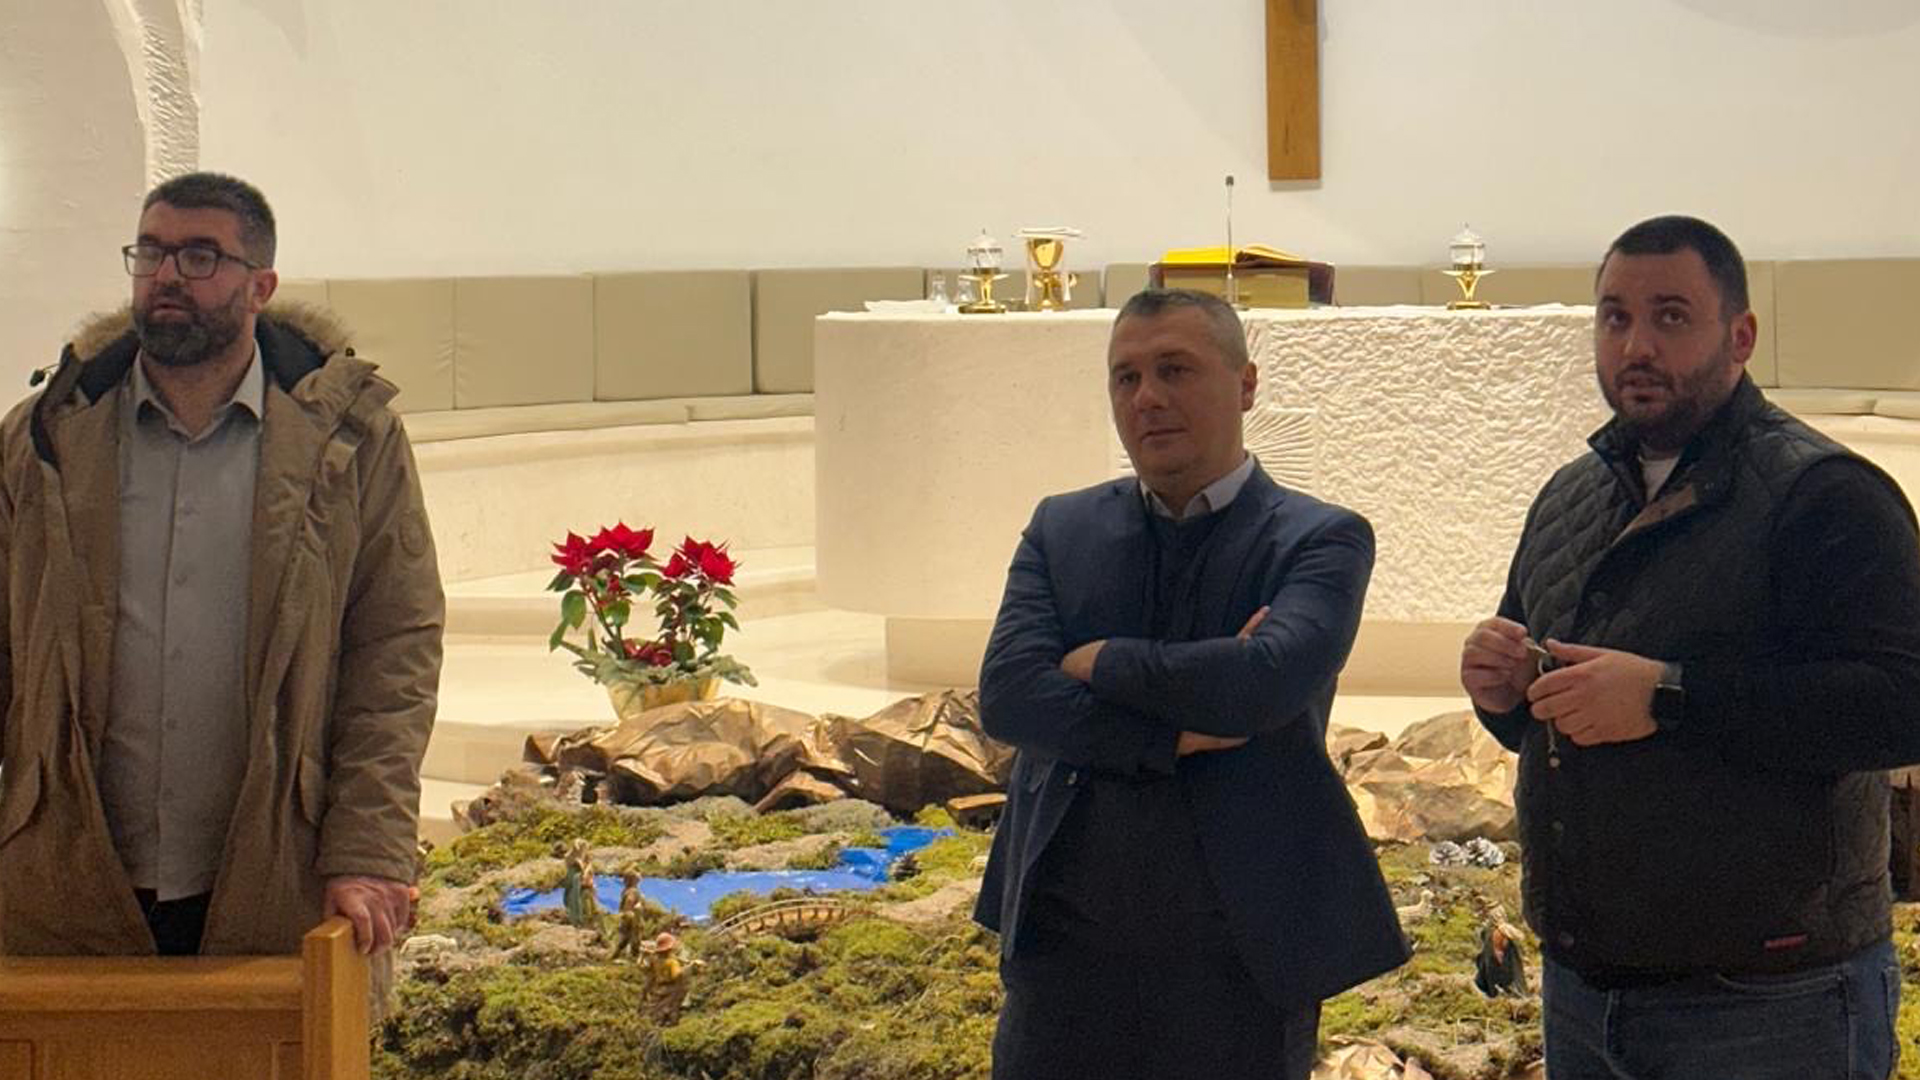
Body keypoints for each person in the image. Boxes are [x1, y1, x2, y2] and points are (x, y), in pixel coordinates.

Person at [1460, 214, 1920, 1079]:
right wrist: (1505, 693)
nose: (1636, 344)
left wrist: (1667, 696)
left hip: (1770, 998)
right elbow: (1552, 721)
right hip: (1586, 989)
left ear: (1740, 337)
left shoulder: (1827, 496)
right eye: (1615, 316)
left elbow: (1898, 708)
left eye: (1670, 316)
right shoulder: (1570, 497)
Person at [0, 171, 443, 958]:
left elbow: (394, 646)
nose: (168, 275)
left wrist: (370, 847)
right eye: (152, 252)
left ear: (260, 286)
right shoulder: (45, 441)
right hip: (70, 870)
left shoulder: (350, 441)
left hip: (276, 867)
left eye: (201, 256)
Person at [974, 288, 1408, 1080]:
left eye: (1175, 370)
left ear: (1246, 384)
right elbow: (1009, 694)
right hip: (1063, 950)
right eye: (1127, 377)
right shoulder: (1061, 528)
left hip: (1239, 953)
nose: (1147, 397)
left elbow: (1264, 683)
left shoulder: (1320, 540)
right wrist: (1172, 732)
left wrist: (1100, 662)